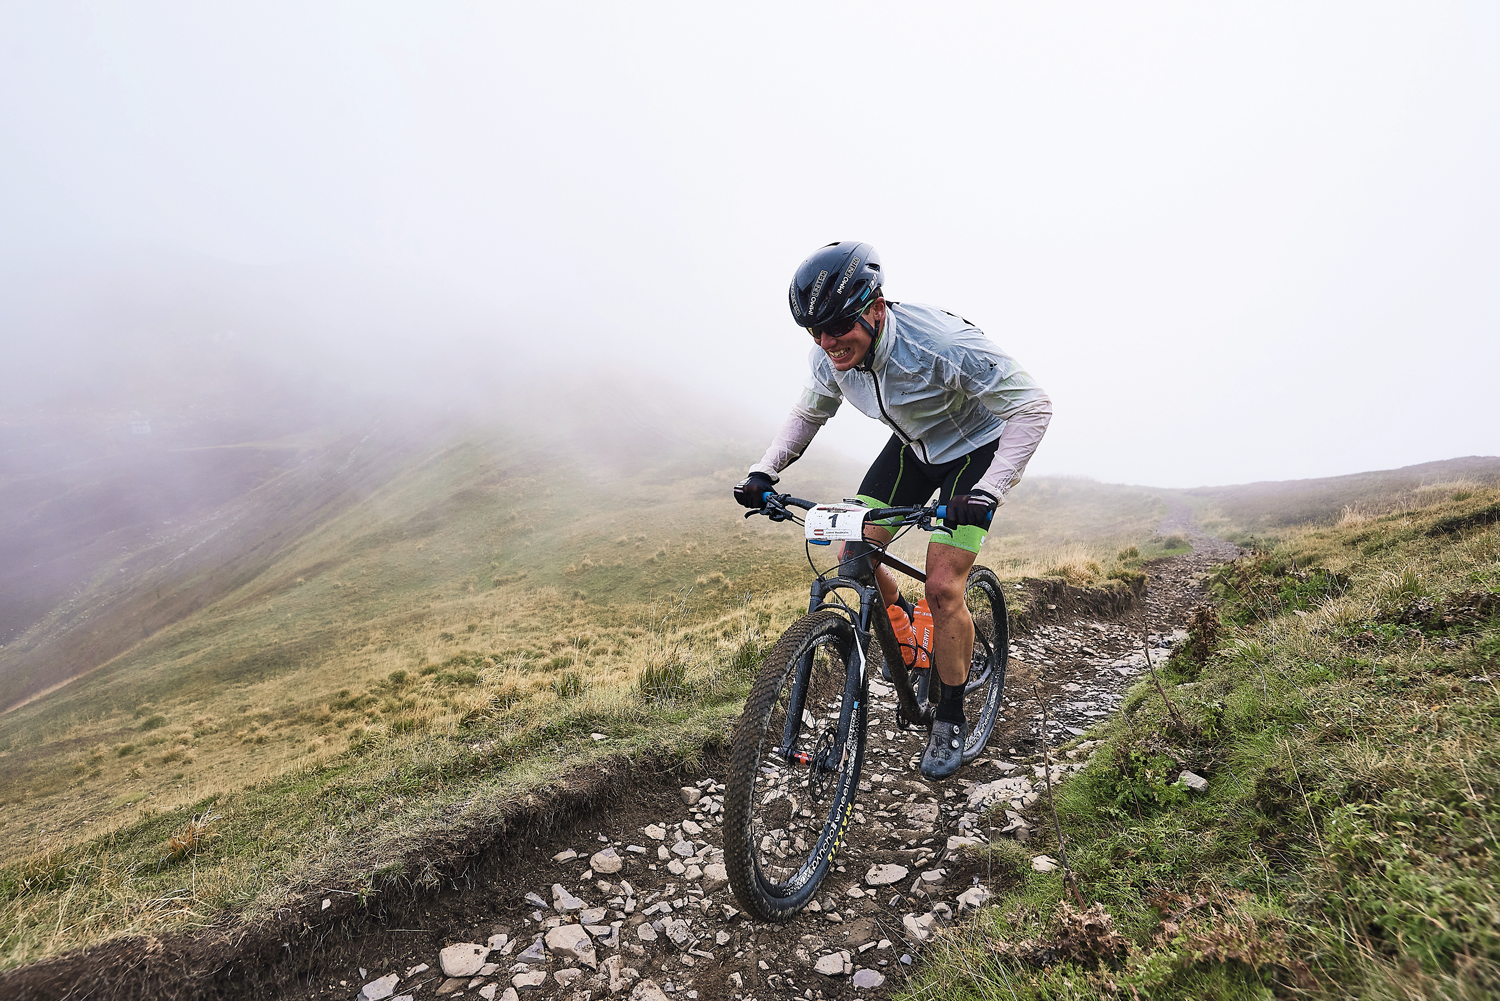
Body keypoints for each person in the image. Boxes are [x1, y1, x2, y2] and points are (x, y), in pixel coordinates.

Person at [733, 241, 1051, 780]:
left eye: (837, 327)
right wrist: (764, 471)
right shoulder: (830, 356)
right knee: (853, 547)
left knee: (944, 584)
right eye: (815, 332)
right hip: (912, 449)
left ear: (876, 308)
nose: (828, 343)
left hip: (975, 452)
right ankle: (905, 636)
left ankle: (949, 715)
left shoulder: (941, 345)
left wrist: (990, 491)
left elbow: (1033, 405)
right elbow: (809, 412)